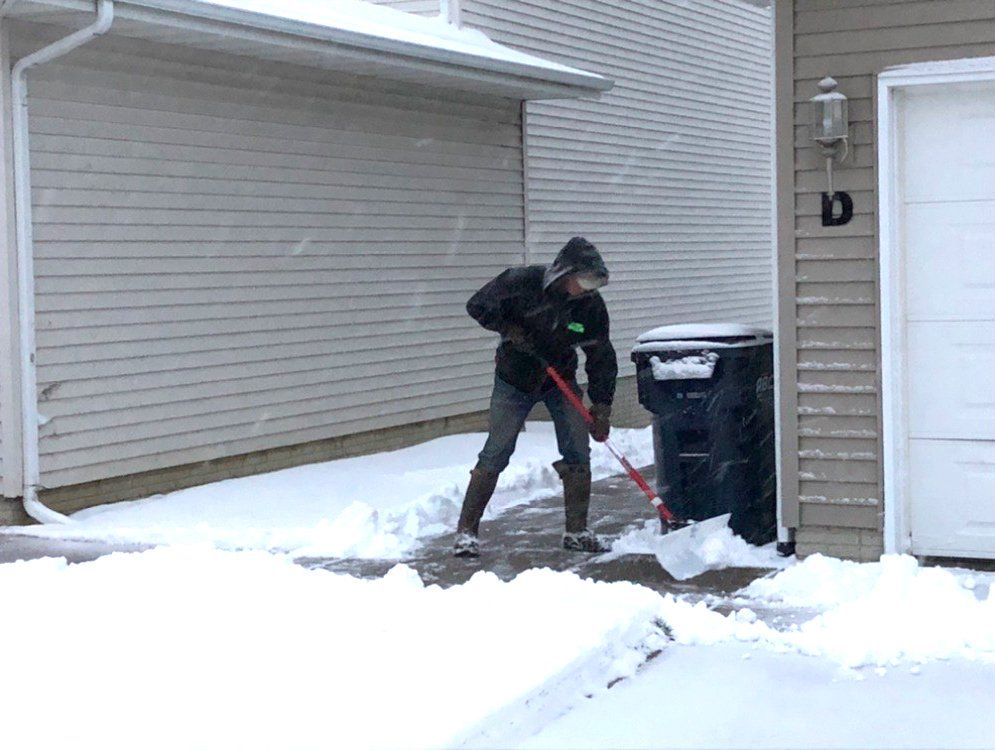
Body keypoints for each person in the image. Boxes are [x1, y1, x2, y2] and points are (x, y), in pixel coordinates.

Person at [453, 236, 617, 558]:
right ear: (565, 273)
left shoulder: (590, 307)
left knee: (577, 450)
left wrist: (602, 406)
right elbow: (477, 306)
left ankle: (577, 532)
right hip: (514, 379)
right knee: (497, 451)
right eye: (584, 281)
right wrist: (510, 328)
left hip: (560, 379)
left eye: (593, 283)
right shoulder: (521, 283)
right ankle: (466, 533)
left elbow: (601, 355)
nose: (587, 289)